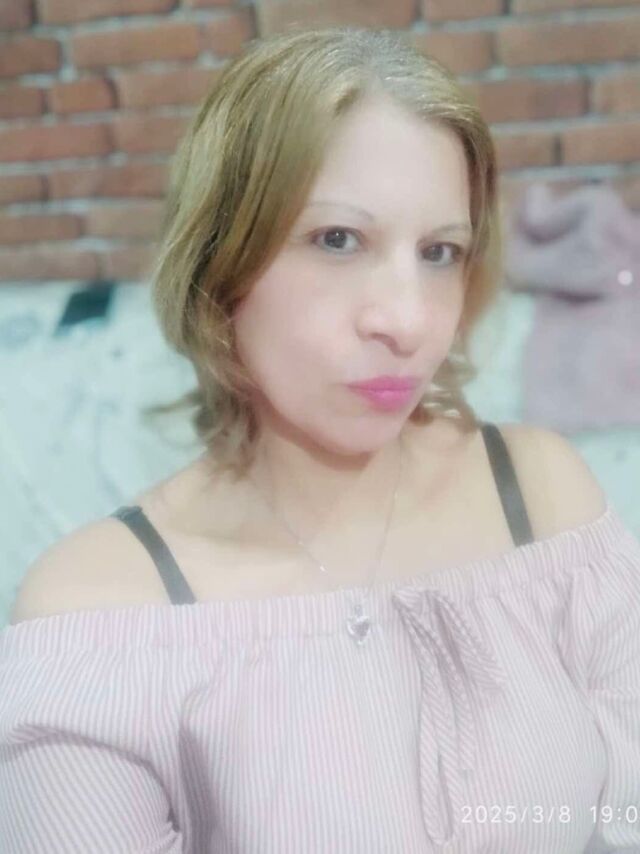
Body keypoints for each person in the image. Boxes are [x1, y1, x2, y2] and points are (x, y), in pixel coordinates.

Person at [1, 25, 639, 854]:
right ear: (221, 260)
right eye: (337, 240)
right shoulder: (98, 614)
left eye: (440, 251)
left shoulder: (542, 497)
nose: (408, 321)